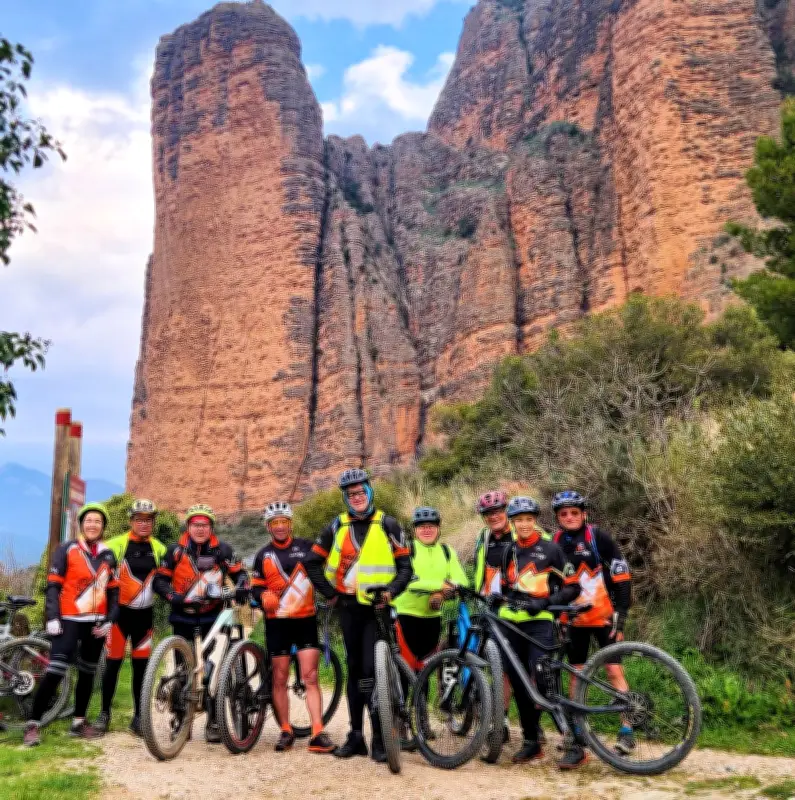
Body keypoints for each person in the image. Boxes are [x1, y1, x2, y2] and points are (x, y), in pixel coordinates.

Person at [305, 468, 412, 763]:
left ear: (369, 491)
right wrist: (331, 593)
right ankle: (356, 735)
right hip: (349, 609)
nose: (357, 497)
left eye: (361, 491)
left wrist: (391, 591)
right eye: (351, 494)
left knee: (371, 670)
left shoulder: (389, 524)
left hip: (377, 609)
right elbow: (312, 563)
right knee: (355, 671)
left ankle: (380, 736)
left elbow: (406, 568)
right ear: (345, 498)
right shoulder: (336, 526)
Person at [23, 503, 119, 747]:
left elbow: (115, 592)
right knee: (55, 671)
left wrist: (110, 620)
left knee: (87, 673)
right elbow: (53, 586)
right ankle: (33, 725)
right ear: (81, 524)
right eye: (88, 520)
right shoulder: (66, 549)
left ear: (103, 526)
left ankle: (78, 722)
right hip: (68, 620)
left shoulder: (108, 554)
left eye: (98, 521)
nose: (92, 525)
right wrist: (53, 617)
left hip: (95, 624)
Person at [153, 503, 248, 743]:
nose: (200, 529)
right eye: (196, 524)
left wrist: (240, 589)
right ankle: (180, 721)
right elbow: (160, 582)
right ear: (188, 526)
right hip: (182, 616)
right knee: (183, 672)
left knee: (213, 669)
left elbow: (241, 575)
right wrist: (174, 597)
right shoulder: (175, 551)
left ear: (211, 527)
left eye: (204, 524)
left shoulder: (222, 550)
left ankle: (213, 721)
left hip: (212, 617)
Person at [551, 490, 634, 768]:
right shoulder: (556, 542)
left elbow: (622, 576)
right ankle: (577, 732)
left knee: (613, 670)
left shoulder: (598, 538)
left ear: (584, 514)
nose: (570, 517)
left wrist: (621, 615)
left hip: (603, 618)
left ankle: (627, 730)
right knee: (576, 674)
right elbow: (554, 584)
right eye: (564, 514)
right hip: (573, 622)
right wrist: (557, 619)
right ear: (558, 518)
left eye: (574, 512)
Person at [499, 496, 580, 766]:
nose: (524, 524)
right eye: (518, 520)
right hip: (510, 624)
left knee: (545, 680)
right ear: (512, 523)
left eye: (528, 519)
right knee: (519, 683)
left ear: (535, 521)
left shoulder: (551, 550)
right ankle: (531, 741)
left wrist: (546, 602)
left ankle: (575, 742)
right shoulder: (507, 552)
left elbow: (572, 587)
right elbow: (507, 588)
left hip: (539, 623)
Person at [250, 501, 335, 755]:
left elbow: (323, 568)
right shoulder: (263, 555)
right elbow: (255, 584)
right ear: (268, 527)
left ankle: (317, 732)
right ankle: (285, 729)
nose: (279, 527)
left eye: (283, 522)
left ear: (291, 524)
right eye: (274, 523)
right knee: (279, 678)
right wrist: (263, 593)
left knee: (310, 677)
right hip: (277, 623)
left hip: (305, 619)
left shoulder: (306, 547)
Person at [473, 490, 550, 743]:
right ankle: (502, 721)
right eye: (488, 513)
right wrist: (479, 599)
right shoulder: (484, 537)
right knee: (502, 669)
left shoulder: (525, 531)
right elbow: (481, 570)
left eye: (498, 511)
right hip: (495, 609)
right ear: (484, 518)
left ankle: (534, 726)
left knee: (531, 669)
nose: (494, 516)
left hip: (530, 610)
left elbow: (549, 562)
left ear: (507, 512)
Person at [96, 499, 167, 737]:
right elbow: (101, 570)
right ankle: (104, 714)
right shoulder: (116, 544)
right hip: (119, 617)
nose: (144, 524)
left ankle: (138, 717)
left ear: (153, 522)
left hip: (144, 618)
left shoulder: (159, 548)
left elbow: (166, 578)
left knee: (141, 669)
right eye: (139, 519)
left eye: (148, 520)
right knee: (113, 665)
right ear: (131, 521)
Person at [392, 507, 468, 684]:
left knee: (425, 670)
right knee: (404, 668)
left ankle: (421, 711)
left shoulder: (447, 551)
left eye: (431, 526)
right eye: (422, 526)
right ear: (414, 530)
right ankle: (399, 710)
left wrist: (443, 593)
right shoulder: (408, 550)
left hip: (433, 617)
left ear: (439, 528)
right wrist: (439, 586)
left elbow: (462, 580)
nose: (427, 530)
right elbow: (408, 582)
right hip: (406, 615)